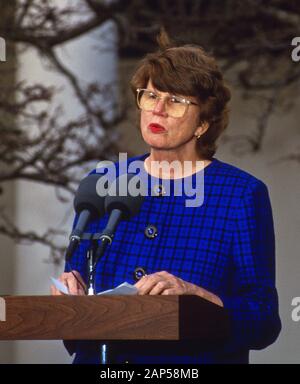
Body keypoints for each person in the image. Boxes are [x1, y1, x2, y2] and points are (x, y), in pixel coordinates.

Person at [51, 33, 281, 364]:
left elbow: (263, 321)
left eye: (175, 100)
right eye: (150, 95)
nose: (158, 109)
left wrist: (198, 297)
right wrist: (69, 304)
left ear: (203, 122)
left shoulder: (240, 194)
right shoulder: (103, 182)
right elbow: (76, 336)